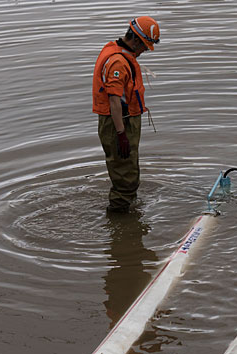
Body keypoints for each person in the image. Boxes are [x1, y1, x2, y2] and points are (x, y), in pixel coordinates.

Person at [92, 16, 160, 213]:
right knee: (125, 177)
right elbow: (114, 101)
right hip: (119, 124)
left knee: (128, 170)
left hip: (123, 121)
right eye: (145, 46)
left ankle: (130, 218)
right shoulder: (118, 63)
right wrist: (121, 134)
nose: (144, 51)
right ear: (136, 40)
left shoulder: (116, 50)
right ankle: (119, 220)